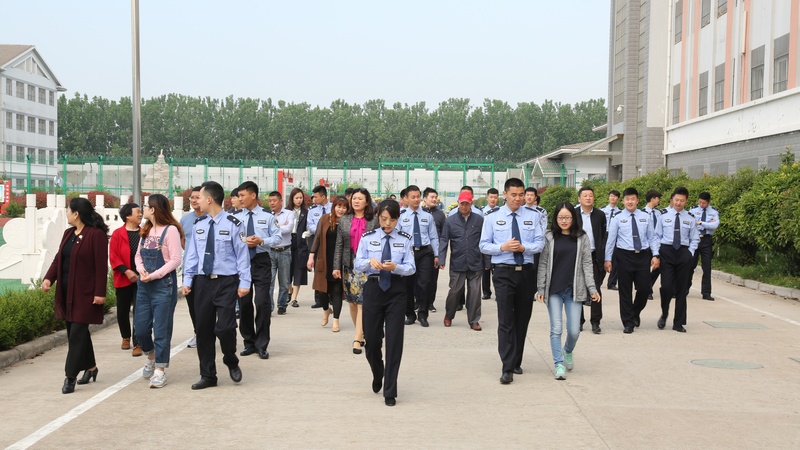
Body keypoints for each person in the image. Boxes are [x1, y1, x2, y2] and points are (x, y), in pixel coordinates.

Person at [182, 181, 250, 389]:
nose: (196, 201)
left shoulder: (234, 224)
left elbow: (242, 255)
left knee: (226, 327)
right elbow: (192, 255)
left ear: (209, 199)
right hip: (202, 282)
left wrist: (244, 282)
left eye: (199, 198)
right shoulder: (199, 225)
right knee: (203, 330)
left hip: (226, 282)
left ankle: (230, 359)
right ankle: (208, 375)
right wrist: (187, 280)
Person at [479, 177, 544, 384]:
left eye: (521, 194)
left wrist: (525, 248)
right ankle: (506, 366)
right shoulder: (491, 217)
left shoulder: (534, 216)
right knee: (506, 319)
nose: (518, 199)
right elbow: (483, 245)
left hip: (526, 272)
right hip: (503, 272)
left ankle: (516, 360)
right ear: (504, 194)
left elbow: (540, 243)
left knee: (522, 319)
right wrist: (502, 247)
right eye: (513, 195)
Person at [42, 198, 109, 394]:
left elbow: (100, 266)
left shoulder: (96, 235)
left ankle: (70, 376)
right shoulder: (68, 233)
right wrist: (48, 279)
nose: (67, 213)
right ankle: (91, 367)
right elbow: (58, 258)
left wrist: (100, 293)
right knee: (76, 332)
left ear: (76, 214)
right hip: (66, 291)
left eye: (68, 210)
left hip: (86, 293)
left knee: (77, 333)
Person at [355, 199, 416, 407]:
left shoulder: (405, 239)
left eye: (391, 220)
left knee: (394, 341)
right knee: (371, 340)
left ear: (398, 219)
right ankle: (377, 370)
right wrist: (368, 262)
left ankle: (390, 389)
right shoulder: (368, 238)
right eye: (383, 219)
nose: (387, 224)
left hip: (397, 291)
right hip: (373, 289)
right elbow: (357, 263)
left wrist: (396, 267)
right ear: (378, 217)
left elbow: (411, 267)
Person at [536, 203, 601, 380]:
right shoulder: (549, 237)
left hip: (574, 290)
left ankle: (567, 350)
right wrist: (541, 287)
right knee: (556, 329)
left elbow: (587, 264)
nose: (564, 221)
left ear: (573, 218)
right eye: (561, 218)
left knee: (574, 331)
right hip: (554, 290)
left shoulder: (582, 237)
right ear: (556, 219)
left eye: (567, 217)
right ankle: (558, 364)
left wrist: (592, 288)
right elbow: (542, 263)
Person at [134, 194, 184, 388]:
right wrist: (141, 269)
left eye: (146, 206)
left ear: (153, 209)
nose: (143, 209)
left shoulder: (170, 230)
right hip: (144, 286)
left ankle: (160, 370)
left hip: (163, 286)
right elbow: (138, 256)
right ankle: (152, 355)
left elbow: (175, 259)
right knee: (141, 329)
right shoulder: (146, 229)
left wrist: (154, 275)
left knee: (161, 330)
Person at [604, 188, 660, 334]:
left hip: (642, 256)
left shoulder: (645, 216)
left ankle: (635, 312)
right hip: (624, 256)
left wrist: (655, 255)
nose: (630, 201)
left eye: (633, 199)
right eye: (627, 199)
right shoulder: (617, 218)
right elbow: (611, 240)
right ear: (623, 201)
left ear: (637, 200)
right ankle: (628, 322)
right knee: (625, 291)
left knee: (644, 288)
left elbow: (652, 237)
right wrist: (608, 259)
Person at [236, 181, 281, 360]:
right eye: (238, 196)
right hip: (242, 263)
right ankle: (249, 342)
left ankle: (262, 344)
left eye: (242, 195)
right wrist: (243, 242)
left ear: (253, 195)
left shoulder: (268, 216)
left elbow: (278, 238)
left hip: (261, 261)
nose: (239, 199)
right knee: (244, 304)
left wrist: (261, 241)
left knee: (262, 302)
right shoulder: (236, 218)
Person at [333, 188, 379, 354]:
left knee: (362, 302)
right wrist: (336, 267)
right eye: (354, 198)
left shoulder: (374, 220)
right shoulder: (345, 220)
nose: (356, 201)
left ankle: (357, 339)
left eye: (360, 199)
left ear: (367, 202)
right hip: (349, 265)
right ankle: (362, 332)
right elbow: (339, 245)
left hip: (366, 265)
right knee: (352, 302)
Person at [653, 187, 699, 333]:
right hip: (666, 252)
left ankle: (678, 322)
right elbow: (656, 236)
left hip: (683, 254)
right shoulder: (663, 216)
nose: (679, 203)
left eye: (682, 200)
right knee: (666, 287)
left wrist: (690, 253)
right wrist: (656, 254)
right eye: (676, 200)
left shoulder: (690, 218)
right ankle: (664, 312)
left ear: (686, 201)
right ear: (672, 199)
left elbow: (695, 238)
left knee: (681, 289)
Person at [440, 191, 484, 330]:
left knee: (475, 293)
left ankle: (474, 320)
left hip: (475, 262)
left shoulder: (479, 220)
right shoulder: (450, 221)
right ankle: (449, 315)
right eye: (462, 203)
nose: (464, 206)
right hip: (458, 262)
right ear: (458, 203)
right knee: (454, 291)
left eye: (467, 203)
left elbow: (485, 240)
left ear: (471, 203)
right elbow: (443, 240)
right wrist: (441, 259)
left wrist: (487, 262)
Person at [398, 185, 439, 328]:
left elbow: (433, 237)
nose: (416, 199)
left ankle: (423, 314)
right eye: (413, 197)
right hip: (408, 253)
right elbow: (398, 238)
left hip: (425, 253)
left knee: (425, 283)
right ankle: (410, 314)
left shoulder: (427, 216)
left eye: (417, 196)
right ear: (407, 198)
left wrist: (436, 254)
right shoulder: (401, 217)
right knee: (407, 285)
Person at [308, 196, 349, 332]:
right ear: (334, 207)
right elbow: (318, 237)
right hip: (324, 259)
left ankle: (336, 320)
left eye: (344, 207)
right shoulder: (325, 219)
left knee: (337, 290)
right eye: (339, 206)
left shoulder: (347, 221)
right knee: (322, 291)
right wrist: (311, 256)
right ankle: (326, 310)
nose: (341, 209)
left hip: (339, 261)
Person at [109, 202, 143, 357]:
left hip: (142, 278)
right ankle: (125, 336)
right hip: (123, 277)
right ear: (128, 216)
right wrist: (126, 271)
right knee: (122, 311)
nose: (140, 214)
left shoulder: (145, 233)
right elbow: (113, 256)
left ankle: (138, 342)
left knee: (139, 311)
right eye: (137, 212)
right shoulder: (117, 234)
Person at [574, 186, 607, 334]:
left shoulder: (600, 215)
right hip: (576, 257)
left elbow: (603, 237)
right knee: (577, 289)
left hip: (594, 257)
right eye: (585, 195)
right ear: (579, 198)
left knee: (595, 289)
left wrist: (605, 258)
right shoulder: (573, 214)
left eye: (590, 195)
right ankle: (579, 321)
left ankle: (595, 322)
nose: (588, 198)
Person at [179, 186, 205, 348]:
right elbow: (183, 241)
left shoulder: (212, 217)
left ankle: (207, 331)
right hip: (190, 269)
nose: (194, 200)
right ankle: (198, 332)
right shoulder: (185, 220)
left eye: (197, 197)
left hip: (207, 269)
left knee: (206, 305)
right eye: (192, 198)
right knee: (192, 304)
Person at [267, 191, 295, 315]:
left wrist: (273, 229)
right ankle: (269, 307)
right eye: (270, 201)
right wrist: (280, 227)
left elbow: (289, 229)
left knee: (284, 281)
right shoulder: (267, 215)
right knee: (269, 281)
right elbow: (266, 231)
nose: (272, 203)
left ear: (280, 201)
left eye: (274, 200)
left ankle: (282, 305)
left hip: (285, 251)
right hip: (270, 251)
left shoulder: (289, 213)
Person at [307, 185, 334, 309]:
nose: (314, 199)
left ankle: (332, 296)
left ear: (323, 196)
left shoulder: (334, 208)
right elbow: (310, 225)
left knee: (332, 267)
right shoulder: (312, 210)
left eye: (316, 197)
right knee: (319, 269)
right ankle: (318, 298)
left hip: (331, 241)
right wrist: (321, 231)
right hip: (318, 241)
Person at [689, 192, 719, 301]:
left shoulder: (714, 212)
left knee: (707, 267)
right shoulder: (693, 210)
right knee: (690, 266)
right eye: (700, 202)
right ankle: (685, 288)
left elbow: (715, 225)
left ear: (709, 202)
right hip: (695, 239)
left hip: (706, 240)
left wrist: (701, 223)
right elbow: (690, 223)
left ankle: (706, 293)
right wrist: (707, 223)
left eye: (704, 203)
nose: (701, 204)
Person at [423, 187, 446, 313]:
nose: (434, 199)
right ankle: (419, 301)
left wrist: (440, 255)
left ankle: (430, 303)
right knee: (419, 279)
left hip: (434, 252)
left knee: (432, 279)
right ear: (425, 198)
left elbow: (444, 236)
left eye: (435, 197)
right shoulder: (419, 213)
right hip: (421, 251)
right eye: (431, 197)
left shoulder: (440, 215)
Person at [288, 188, 309, 308]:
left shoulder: (306, 212)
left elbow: (310, 225)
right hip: (288, 241)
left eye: (301, 198)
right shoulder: (286, 211)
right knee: (287, 271)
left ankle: (294, 298)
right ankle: (289, 291)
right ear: (292, 198)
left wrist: (306, 234)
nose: (299, 200)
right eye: (296, 198)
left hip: (301, 243)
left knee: (298, 270)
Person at [643, 190, 663, 300]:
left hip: (658, 244)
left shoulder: (659, 213)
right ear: (652, 199)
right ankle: (647, 291)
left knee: (658, 267)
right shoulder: (642, 213)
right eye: (657, 198)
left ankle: (648, 285)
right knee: (645, 269)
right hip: (646, 245)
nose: (658, 200)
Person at [481, 188, 501, 300]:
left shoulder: (501, 212)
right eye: (491, 197)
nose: (493, 199)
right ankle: (486, 292)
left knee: (497, 270)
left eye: (495, 197)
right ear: (487, 198)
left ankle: (499, 292)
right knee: (485, 270)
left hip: (498, 244)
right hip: (487, 243)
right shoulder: (482, 212)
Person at [602, 190, 623, 290]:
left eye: (615, 196)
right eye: (611, 196)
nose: (613, 198)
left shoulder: (621, 212)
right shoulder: (602, 210)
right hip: (604, 235)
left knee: (615, 259)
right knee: (601, 257)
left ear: (618, 199)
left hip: (615, 236)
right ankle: (598, 279)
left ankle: (612, 283)